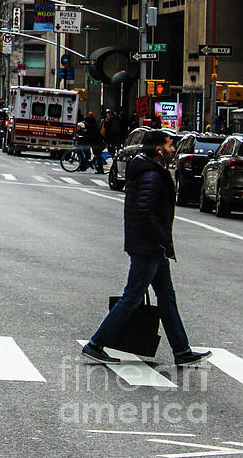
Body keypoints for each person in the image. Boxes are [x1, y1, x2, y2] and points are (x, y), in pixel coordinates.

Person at [82, 129, 211, 367]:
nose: (174, 150)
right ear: (159, 150)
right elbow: (144, 211)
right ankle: (95, 344)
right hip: (148, 246)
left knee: (166, 297)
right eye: (171, 145)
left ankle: (182, 350)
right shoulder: (151, 175)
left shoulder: (151, 170)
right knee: (132, 296)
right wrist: (161, 238)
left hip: (152, 246)